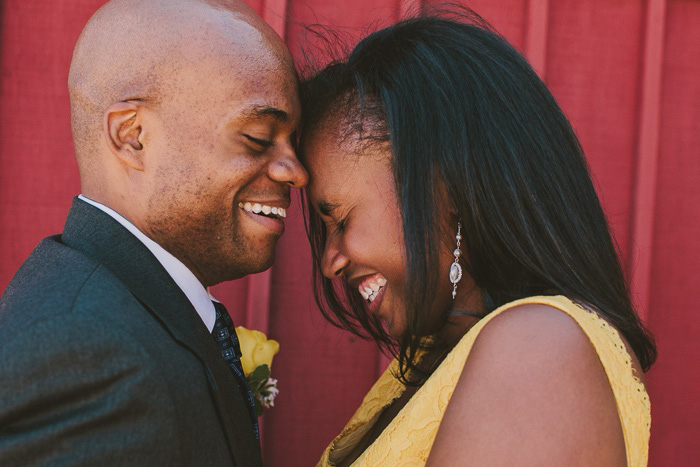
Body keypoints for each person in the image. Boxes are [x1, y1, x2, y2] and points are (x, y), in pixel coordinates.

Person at [299, 11, 656, 467]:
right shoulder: (437, 363)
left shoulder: (539, 350)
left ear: (444, 183)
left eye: (341, 219)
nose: (330, 261)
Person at [0, 0, 307, 464]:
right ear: (133, 136)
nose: (295, 172)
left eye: (292, 145)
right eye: (259, 138)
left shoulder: (131, 315)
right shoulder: (84, 355)